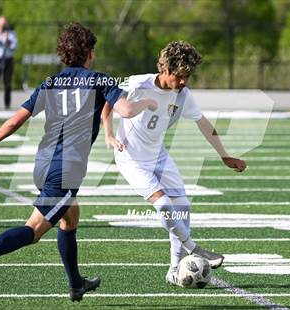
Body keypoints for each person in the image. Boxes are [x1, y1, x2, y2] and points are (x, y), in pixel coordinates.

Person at [0, 22, 156, 302]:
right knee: (33, 230)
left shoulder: (50, 82)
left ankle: (75, 284)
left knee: (70, 218)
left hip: (45, 162)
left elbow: (16, 120)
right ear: (89, 53)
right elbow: (127, 109)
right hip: (66, 169)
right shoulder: (99, 80)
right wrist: (146, 102)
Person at [102, 41, 247, 287]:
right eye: (180, 76)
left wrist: (225, 154)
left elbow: (203, 124)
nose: (184, 82)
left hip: (158, 155)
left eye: (188, 76)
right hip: (131, 158)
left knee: (182, 207)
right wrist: (108, 134)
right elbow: (108, 100)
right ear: (166, 70)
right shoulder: (138, 83)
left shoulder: (183, 95)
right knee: (164, 204)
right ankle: (194, 248)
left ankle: (173, 271)